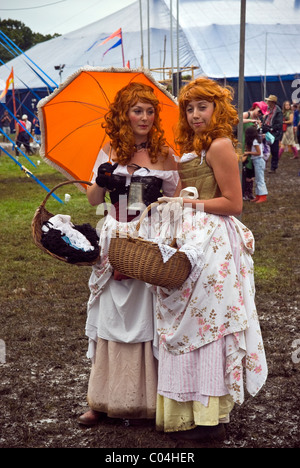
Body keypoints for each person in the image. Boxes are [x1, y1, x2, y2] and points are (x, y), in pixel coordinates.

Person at [151, 77, 267, 441]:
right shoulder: (196, 146)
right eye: (189, 108)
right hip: (192, 237)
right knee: (187, 317)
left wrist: (187, 203)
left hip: (215, 241)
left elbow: (234, 203)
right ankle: (185, 406)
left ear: (218, 109)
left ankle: (209, 413)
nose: (196, 114)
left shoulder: (219, 146)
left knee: (209, 322)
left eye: (203, 106)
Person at [78, 82, 179, 426]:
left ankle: (148, 402)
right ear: (124, 114)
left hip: (147, 240)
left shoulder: (164, 154)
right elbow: (93, 201)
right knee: (109, 315)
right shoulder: (108, 150)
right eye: (138, 110)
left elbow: (177, 203)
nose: (145, 117)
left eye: (150, 111)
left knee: (145, 317)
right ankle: (102, 401)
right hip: (113, 237)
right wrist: (103, 178)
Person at [244, 125, 268, 203]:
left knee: (260, 179)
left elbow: (258, 153)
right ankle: (258, 195)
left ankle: (263, 196)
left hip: (259, 160)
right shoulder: (255, 140)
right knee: (257, 179)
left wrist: (248, 152)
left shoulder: (255, 141)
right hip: (256, 161)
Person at [262, 95, 283, 173]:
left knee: (274, 151)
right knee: (264, 149)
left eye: (269, 101)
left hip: (274, 133)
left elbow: (279, 124)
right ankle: (263, 166)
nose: (267, 102)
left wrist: (271, 128)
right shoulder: (267, 109)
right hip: (266, 130)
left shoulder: (278, 111)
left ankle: (273, 167)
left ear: (272, 102)